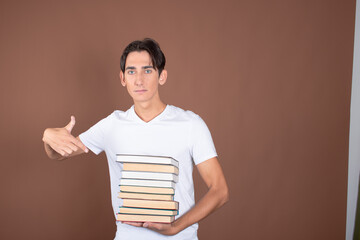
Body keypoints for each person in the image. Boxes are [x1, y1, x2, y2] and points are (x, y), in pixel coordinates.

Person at [42, 38, 229, 240]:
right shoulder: (112, 125)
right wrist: (48, 137)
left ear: (162, 76)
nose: (139, 80)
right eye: (131, 71)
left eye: (147, 70)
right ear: (123, 78)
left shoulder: (191, 124)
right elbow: (58, 154)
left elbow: (220, 190)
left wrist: (176, 227)